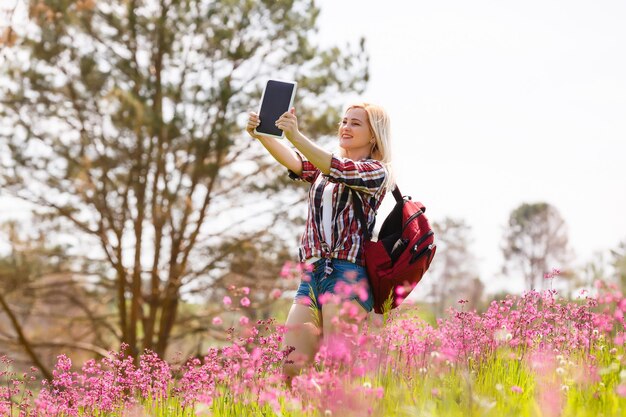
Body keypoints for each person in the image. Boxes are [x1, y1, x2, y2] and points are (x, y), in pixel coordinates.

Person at [246, 103, 394, 381]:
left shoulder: (376, 171)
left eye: (355, 124)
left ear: (373, 135)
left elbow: (338, 167)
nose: (345, 127)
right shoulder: (323, 170)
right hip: (311, 274)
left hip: (347, 275)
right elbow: (298, 163)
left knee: (338, 372)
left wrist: (296, 136)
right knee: (291, 366)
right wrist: (262, 135)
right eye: (344, 121)